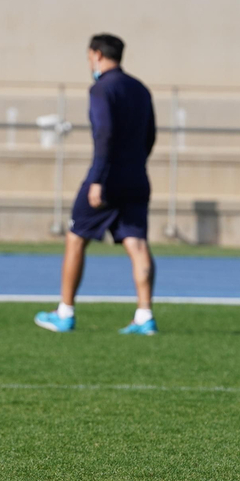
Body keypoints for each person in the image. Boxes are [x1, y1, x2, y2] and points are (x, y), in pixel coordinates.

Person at [35, 33, 157, 335]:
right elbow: (151, 135)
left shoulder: (102, 89)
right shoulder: (140, 88)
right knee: (137, 243)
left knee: (76, 237)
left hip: (106, 178)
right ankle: (145, 315)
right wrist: (135, 165)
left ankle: (65, 313)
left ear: (97, 55)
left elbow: (104, 134)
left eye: (90, 57)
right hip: (137, 177)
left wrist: (99, 181)